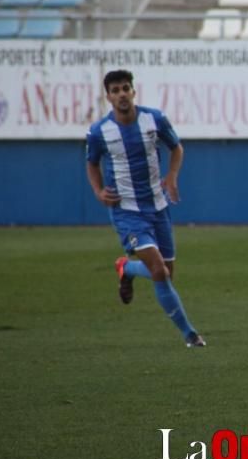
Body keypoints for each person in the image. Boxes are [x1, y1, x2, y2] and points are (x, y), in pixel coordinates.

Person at [85, 70, 205, 348]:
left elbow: (176, 148)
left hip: (158, 206)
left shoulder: (154, 119)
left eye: (126, 88)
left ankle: (126, 268)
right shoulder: (99, 131)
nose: (122, 94)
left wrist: (172, 176)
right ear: (108, 97)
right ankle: (190, 335)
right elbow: (92, 163)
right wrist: (98, 190)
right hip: (127, 211)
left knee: (165, 273)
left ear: (133, 91)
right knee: (159, 271)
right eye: (115, 90)